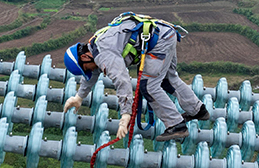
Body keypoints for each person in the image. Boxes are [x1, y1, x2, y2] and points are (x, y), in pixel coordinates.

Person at [63, 12, 209, 143]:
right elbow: (93, 74)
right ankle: (198, 110)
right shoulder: (94, 45)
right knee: (168, 79)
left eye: (85, 68)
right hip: (164, 33)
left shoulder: (103, 53)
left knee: (148, 85)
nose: (91, 70)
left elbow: (122, 80)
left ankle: (176, 125)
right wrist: (79, 97)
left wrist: (126, 114)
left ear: (84, 57)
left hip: (159, 41)